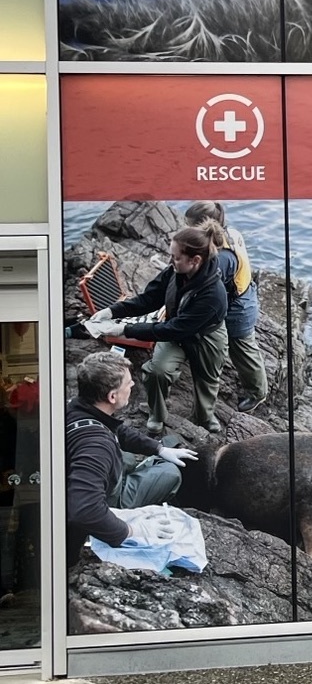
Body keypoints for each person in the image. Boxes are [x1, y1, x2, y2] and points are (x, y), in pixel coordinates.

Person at [89, 223, 228, 435]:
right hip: (174, 328)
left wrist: (124, 330)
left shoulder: (214, 294)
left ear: (195, 261)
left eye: (176, 257)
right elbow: (149, 299)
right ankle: (157, 414)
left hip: (205, 336)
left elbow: (174, 329)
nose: (171, 260)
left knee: (207, 379)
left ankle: (205, 415)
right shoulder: (174, 271)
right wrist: (112, 311)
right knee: (156, 371)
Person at [66, 351, 197, 565]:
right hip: (105, 503)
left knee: (131, 456)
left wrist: (159, 449)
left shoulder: (75, 406)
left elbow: (118, 431)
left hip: (90, 475)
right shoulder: (97, 446)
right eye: (128, 383)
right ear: (112, 397)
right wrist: (131, 530)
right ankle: (147, 474)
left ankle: (152, 461)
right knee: (170, 473)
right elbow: (83, 510)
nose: (133, 385)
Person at [184, 201, 268, 414]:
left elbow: (210, 290)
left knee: (243, 349)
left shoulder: (221, 258)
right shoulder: (230, 232)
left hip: (238, 307)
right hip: (243, 290)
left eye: (190, 226)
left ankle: (258, 393)